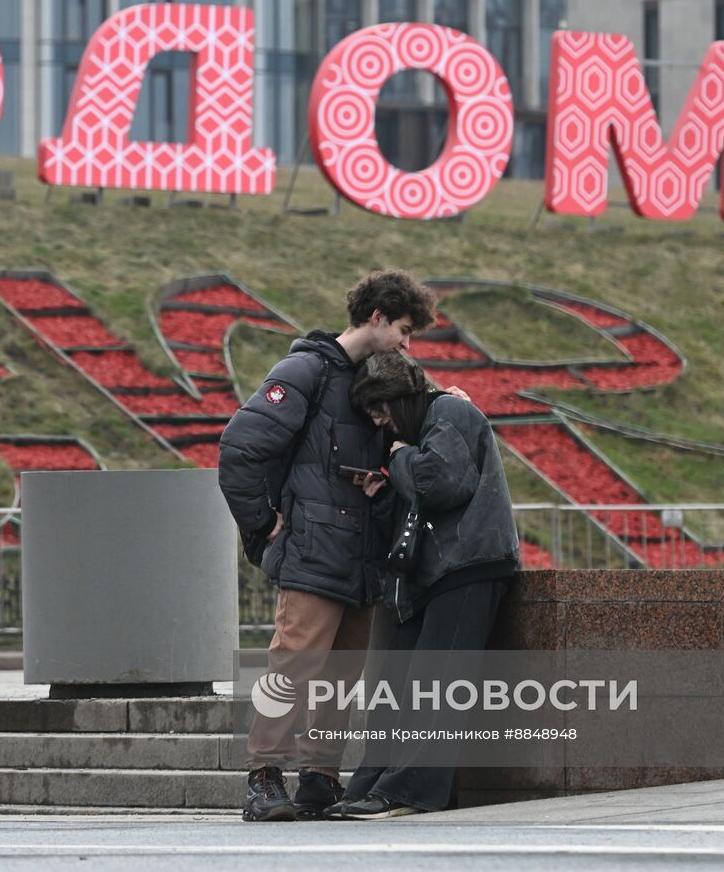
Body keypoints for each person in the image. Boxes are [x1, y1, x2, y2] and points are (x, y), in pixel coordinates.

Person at [218, 269, 439, 822]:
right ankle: (263, 779)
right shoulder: (305, 371)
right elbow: (239, 450)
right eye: (405, 331)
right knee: (294, 666)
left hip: (365, 556)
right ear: (377, 317)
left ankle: (320, 778)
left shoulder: (380, 379)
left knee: (342, 675)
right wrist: (261, 526)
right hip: (315, 552)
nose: (408, 346)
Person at [325, 351, 519, 820]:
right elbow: (420, 498)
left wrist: (401, 459)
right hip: (430, 573)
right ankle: (371, 785)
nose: (380, 422)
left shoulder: (449, 411)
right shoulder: (421, 428)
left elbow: (440, 484)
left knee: (436, 684)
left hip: (468, 565)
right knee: (398, 683)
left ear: (401, 398)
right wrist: (386, 486)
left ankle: (410, 790)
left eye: (381, 409)